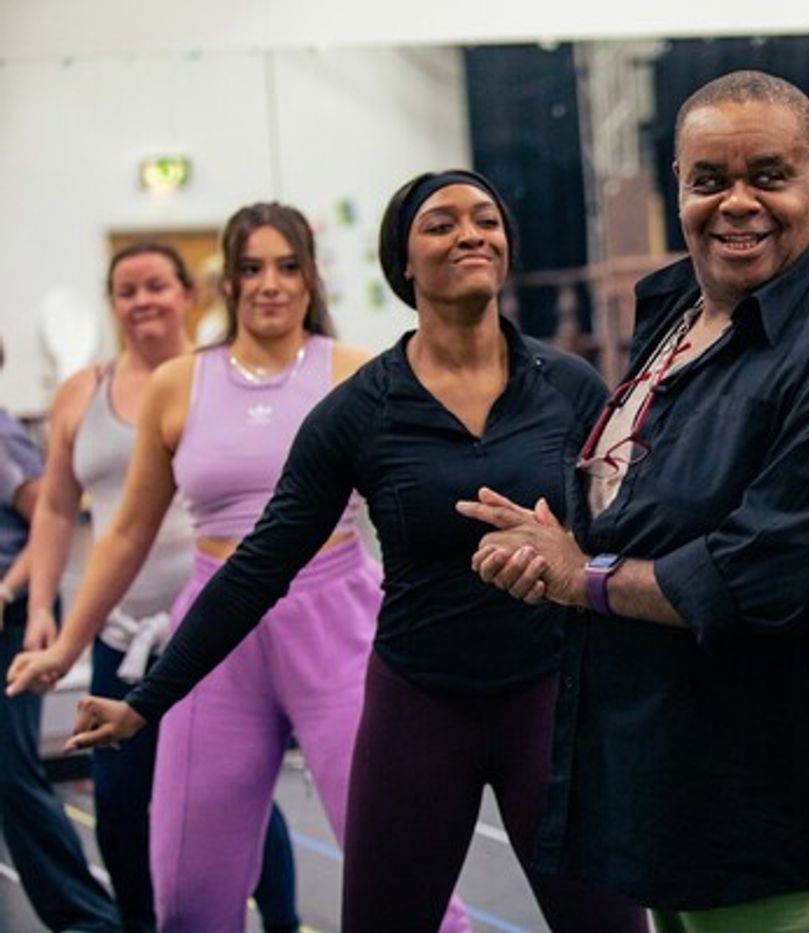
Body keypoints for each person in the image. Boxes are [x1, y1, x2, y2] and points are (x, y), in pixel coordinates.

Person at [16, 172, 643, 933]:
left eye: (485, 220)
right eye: (441, 224)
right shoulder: (360, 409)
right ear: (404, 262)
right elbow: (257, 567)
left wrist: (575, 558)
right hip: (420, 708)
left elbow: (629, 531)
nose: (470, 234)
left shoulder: (570, 387)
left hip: (547, 700)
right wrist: (145, 701)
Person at [461, 72, 809, 933]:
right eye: (709, 180)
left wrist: (583, 577)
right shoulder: (675, 308)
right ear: (677, 184)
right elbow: (660, 505)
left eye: (768, 175)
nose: (737, 204)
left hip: (790, 822)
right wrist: (557, 545)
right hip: (674, 799)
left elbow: (776, 571)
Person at [5, 203, 471, 933]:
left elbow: (421, 503)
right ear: (225, 282)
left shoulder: (356, 374)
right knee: (189, 889)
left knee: (402, 870)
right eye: (251, 268)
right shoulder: (181, 384)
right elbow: (124, 531)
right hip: (217, 632)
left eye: (286, 266)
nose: (270, 285)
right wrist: (63, 644)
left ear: (310, 276)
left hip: (337, 621)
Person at [20, 242, 302, 931]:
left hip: (213, 622)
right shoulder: (81, 393)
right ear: (111, 304)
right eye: (125, 289)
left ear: (187, 296)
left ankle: (282, 919)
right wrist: (41, 609)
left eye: (156, 285)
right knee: (118, 799)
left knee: (237, 793)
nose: (142, 300)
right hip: (123, 627)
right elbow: (57, 505)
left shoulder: (219, 377)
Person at [0, 336, 123, 933]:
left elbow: (45, 518)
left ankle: (85, 916)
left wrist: (10, 592)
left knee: (10, 771)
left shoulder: (1, 437)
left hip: (10, 622)